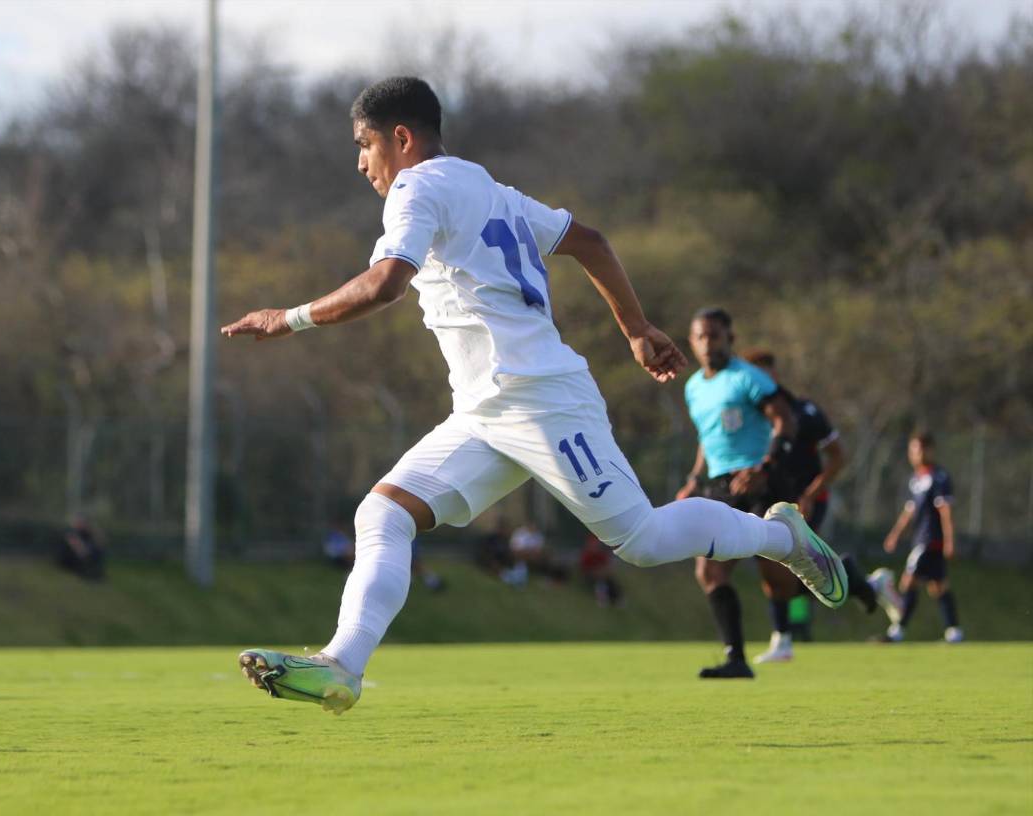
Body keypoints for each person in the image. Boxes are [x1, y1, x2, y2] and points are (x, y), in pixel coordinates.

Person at [223, 77, 847, 714]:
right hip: (483, 413)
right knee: (382, 514)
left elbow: (386, 283)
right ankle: (342, 665)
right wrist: (635, 329)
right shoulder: (490, 189)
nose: (361, 163)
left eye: (364, 145)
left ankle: (782, 538)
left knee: (644, 541)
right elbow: (591, 241)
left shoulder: (417, 186)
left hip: (543, 401)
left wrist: (288, 318)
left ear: (401, 139)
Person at [674, 308, 801, 678]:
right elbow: (707, 437)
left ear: (731, 338)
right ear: (691, 342)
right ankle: (736, 659)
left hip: (761, 480)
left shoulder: (748, 378)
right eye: (701, 336)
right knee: (710, 569)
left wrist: (763, 467)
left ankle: (846, 577)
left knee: (778, 574)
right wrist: (695, 480)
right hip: (720, 485)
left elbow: (784, 419)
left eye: (715, 335)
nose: (708, 343)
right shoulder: (694, 387)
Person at [741, 348, 879, 662]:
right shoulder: (747, 418)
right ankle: (852, 578)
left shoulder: (802, 410)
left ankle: (789, 635)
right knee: (781, 570)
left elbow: (838, 455)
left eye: (765, 374)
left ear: (775, 375)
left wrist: (812, 492)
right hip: (766, 501)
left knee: (792, 565)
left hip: (803, 502)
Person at [878, 431, 963, 643]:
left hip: (930, 540)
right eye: (913, 449)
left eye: (920, 449)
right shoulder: (915, 479)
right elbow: (909, 511)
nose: (916, 454)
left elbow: (946, 511)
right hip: (921, 539)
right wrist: (895, 535)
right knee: (938, 586)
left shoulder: (939, 477)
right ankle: (954, 631)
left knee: (908, 582)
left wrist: (950, 540)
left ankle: (897, 631)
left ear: (930, 450)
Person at [57, 514, 106, 581]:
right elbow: (78, 548)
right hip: (68, 559)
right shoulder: (69, 531)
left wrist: (93, 530)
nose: (82, 524)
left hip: (81, 556)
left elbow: (101, 542)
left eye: (84, 523)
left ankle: (95, 573)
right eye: (80, 522)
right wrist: (88, 552)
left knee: (98, 551)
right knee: (90, 554)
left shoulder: (85, 533)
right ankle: (89, 574)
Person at [579, 534, 622, 608]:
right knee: (599, 584)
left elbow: (608, 567)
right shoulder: (586, 555)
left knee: (611, 583)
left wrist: (603, 572)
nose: (595, 546)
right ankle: (602, 600)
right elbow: (584, 569)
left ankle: (616, 599)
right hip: (591, 576)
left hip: (603, 576)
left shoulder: (601, 554)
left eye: (596, 544)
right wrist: (596, 572)